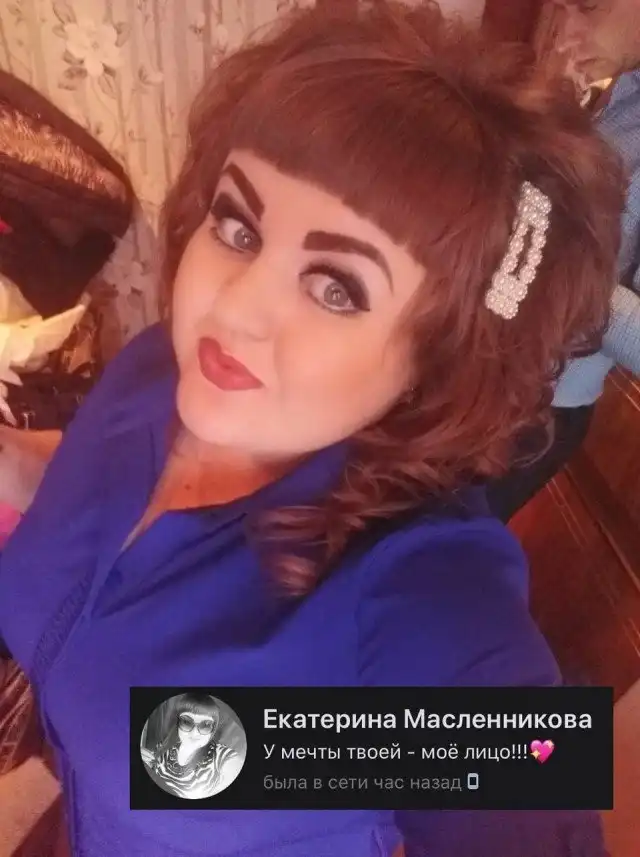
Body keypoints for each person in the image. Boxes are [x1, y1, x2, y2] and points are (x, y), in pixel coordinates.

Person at [0, 2, 625, 855]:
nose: (234, 307)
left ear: (439, 356)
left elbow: (532, 790)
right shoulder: (161, 374)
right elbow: (95, 500)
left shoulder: (411, 598)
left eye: (337, 287)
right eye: (239, 226)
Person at [486, 0, 640, 522]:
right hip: (475, 355)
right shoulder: (617, 85)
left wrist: (569, 271)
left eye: (588, 6)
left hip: (535, 410)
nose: (566, 29)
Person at [141, 693, 243, 799]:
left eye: (205, 725)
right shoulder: (164, 746)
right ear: (178, 723)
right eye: (186, 722)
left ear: (213, 729)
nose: (195, 733)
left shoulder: (221, 757)